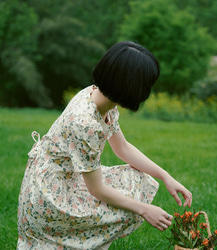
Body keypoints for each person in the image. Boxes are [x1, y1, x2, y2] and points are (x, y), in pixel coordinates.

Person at [17, 41, 192, 250]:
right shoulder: (86, 123)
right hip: (50, 197)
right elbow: (97, 189)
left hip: (62, 179)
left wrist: (166, 177)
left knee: (137, 180)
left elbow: (122, 148)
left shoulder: (98, 97)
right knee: (129, 208)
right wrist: (144, 210)